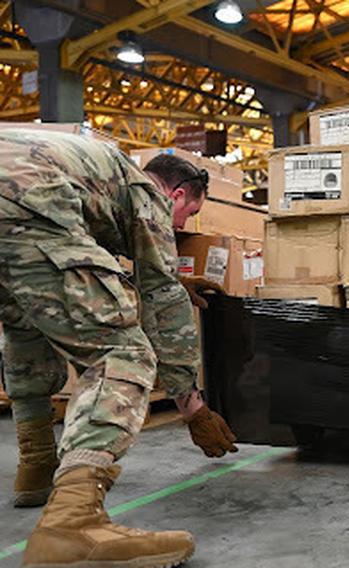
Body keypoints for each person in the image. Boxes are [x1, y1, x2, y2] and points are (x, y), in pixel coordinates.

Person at [0, 129, 237, 567]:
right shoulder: (147, 192)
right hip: (25, 199)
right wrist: (193, 406)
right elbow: (162, 299)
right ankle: (72, 523)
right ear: (177, 193)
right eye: (190, 212)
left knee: (24, 327)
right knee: (124, 352)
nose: (183, 225)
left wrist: (170, 280)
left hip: (15, 200)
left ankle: (35, 468)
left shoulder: (99, 172)